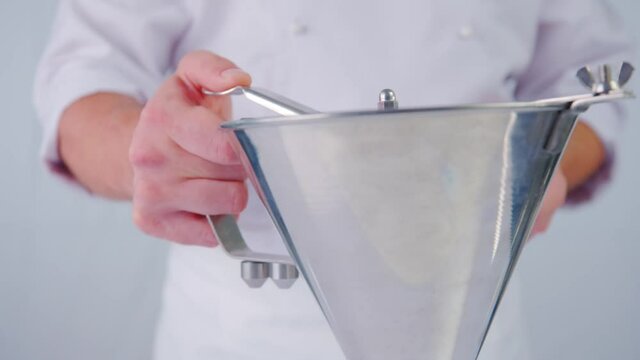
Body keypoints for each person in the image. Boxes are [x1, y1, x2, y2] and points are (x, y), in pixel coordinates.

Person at [34, 0, 634, 359]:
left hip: (470, 317)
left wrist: (535, 162)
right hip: (245, 333)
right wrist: (148, 148)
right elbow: (83, 76)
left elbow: (595, 85)